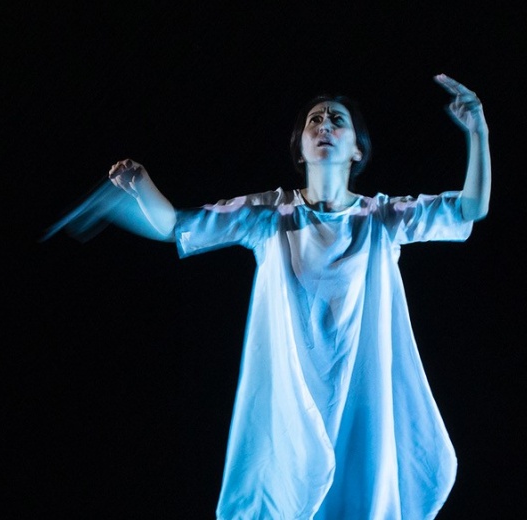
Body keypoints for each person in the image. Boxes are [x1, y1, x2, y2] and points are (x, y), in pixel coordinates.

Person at [58, 74, 490, 519]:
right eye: (314, 120)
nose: (324, 125)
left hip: (361, 398)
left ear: (356, 149)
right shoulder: (271, 212)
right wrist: (141, 185)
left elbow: (470, 209)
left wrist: (477, 130)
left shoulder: (381, 216)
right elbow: (174, 226)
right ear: (300, 148)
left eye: (336, 120)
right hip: (293, 401)